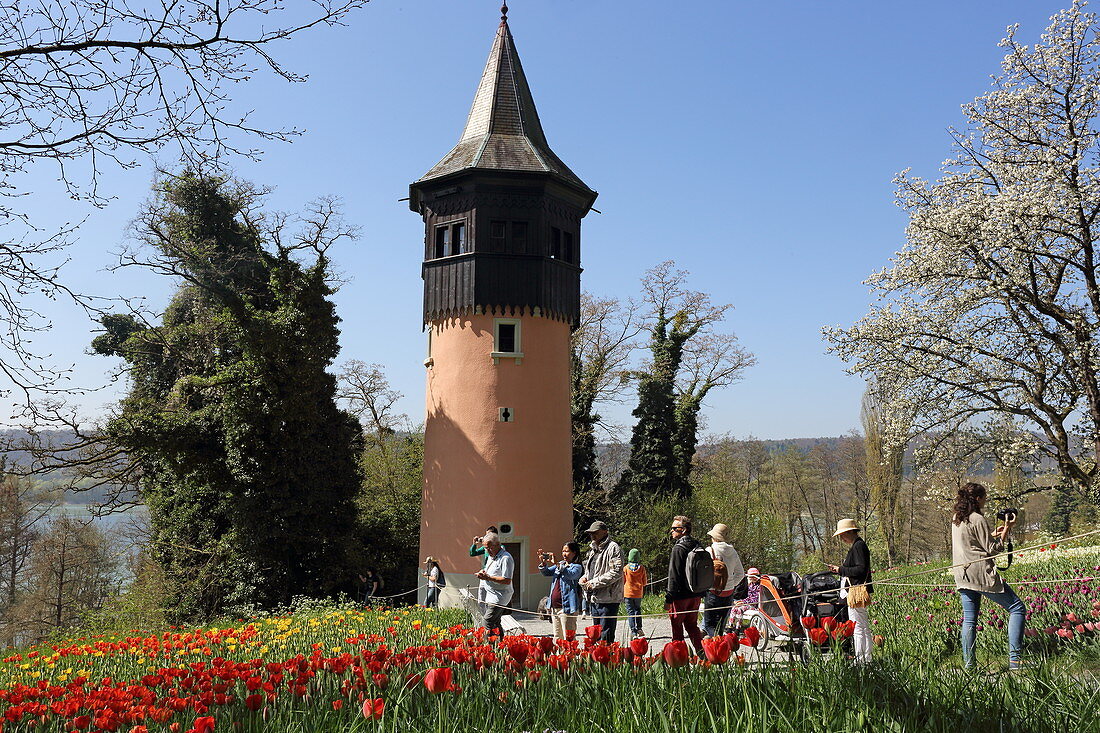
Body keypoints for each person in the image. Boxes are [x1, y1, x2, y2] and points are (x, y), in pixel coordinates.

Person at [951, 482, 1024, 670]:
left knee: (969, 620)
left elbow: (972, 542)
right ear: (977, 499)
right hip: (980, 574)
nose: (986, 500)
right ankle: (1015, 661)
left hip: (962, 574)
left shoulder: (957, 518)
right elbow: (992, 550)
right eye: (984, 497)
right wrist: (1007, 529)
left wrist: (992, 534)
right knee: (1017, 608)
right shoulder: (977, 519)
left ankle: (969, 666)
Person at [826, 518, 874, 664]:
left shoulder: (858, 546)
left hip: (856, 591)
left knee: (858, 627)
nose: (841, 538)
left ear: (849, 532)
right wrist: (840, 571)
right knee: (863, 626)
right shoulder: (858, 545)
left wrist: (841, 569)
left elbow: (860, 569)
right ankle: (866, 658)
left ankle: (862, 660)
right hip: (857, 590)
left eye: (842, 535)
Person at [665, 515, 706, 656]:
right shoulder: (697, 545)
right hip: (696, 594)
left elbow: (673, 576)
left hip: (680, 597)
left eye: (674, 528)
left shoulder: (678, 548)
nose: (671, 531)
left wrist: (669, 599)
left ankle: (679, 658)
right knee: (692, 626)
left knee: (677, 629)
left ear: (683, 530)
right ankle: (702, 655)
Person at [580, 520, 624, 643]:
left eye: (595, 533)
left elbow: (616, 572)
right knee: (596, 636)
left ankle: (607, 660)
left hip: (608, 600)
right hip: (594, 599)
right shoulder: (593, 549)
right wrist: (584, 578)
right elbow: (591, 571)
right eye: (590, 533)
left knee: (605, 638)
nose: (592, 536)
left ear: (605, 532)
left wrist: (593, 583)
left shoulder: (613, 548)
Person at [702, 523, 745, 638]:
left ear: (714, 537)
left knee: (709, 625)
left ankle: (715, 648)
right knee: (721, 625)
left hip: (713, 592)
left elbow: (703, 573)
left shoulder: (709, 551)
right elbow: (741, 573)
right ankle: (721, 648)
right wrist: (730, 584)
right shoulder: (733, 552)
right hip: (729, 593)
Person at [539, 541, 584, 640]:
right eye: (563, 551)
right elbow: (546, 573)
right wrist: (543, 563)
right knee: (557, 636)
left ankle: (570, 655)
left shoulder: (577, 567)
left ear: (574, 552)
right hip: (555, 607)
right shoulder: (560, 564)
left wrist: (557, 564)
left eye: (567, 551)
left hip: (567, 608)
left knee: (568, 637)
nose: (564, 554)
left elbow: (571, 574)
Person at [476, 532, 514, 637]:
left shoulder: (506, 558)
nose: (487, 551)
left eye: (489, 548)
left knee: (487, 621)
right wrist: (483, 572)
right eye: (485, 548)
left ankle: (489, 648)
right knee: (496, 622)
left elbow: (507, 580)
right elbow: (488, 569)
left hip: (500, 596)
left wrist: (487, 577)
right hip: (491, 595)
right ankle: (501, 645)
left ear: (497, 544)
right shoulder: (492, 556)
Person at [623, 548, 647, 638]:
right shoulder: (642, 568)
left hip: (628, 593)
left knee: (630, 612)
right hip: (638, 593)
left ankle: (633, 631)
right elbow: (645, 582)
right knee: (638, 610)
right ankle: (640, 628)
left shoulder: (625, 568)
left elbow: (623, 581)